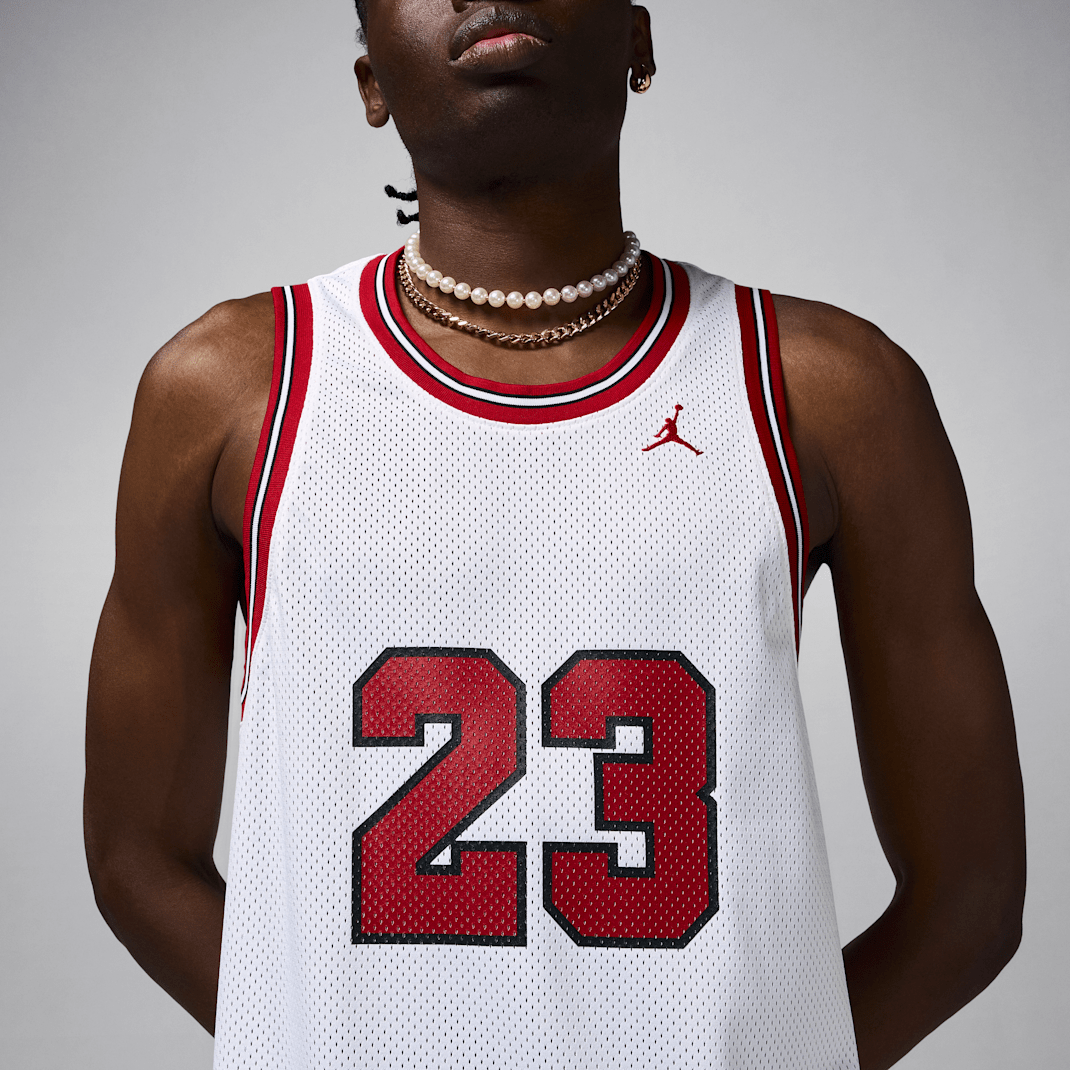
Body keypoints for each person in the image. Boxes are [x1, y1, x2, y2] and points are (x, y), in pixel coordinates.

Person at [83, 3, 1025, 1068]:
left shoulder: (827, 391)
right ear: (371, 84)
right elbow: (136, 858)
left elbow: (971, 896)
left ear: (638, 43)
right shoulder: (230, 389)